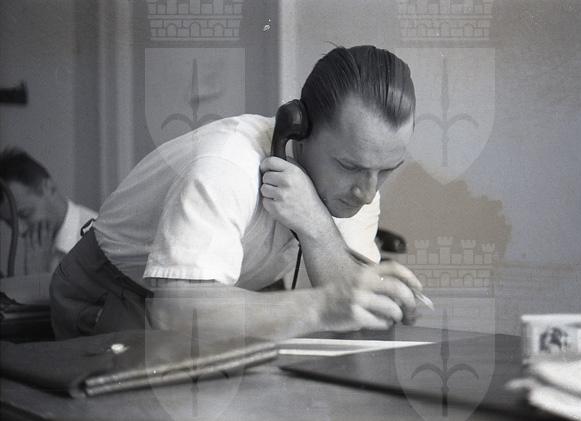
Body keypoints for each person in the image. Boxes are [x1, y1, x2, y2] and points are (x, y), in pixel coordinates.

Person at [50, 45, 423, 341]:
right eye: (349, 166)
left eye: (386, 170)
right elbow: (175, 311)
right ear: (300, 132)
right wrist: (322, 307)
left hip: (224, 298)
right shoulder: (227, 163)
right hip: (114, 292)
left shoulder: (360, 178)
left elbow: (356, 307)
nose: (367, 192)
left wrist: (315, 224)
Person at [0, 148, 97, 275]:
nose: (21, 230)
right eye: (11, 223)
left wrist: (37, 277)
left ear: (49, 187)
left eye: (25, 214)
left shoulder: (101, 242)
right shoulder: (38, 250)